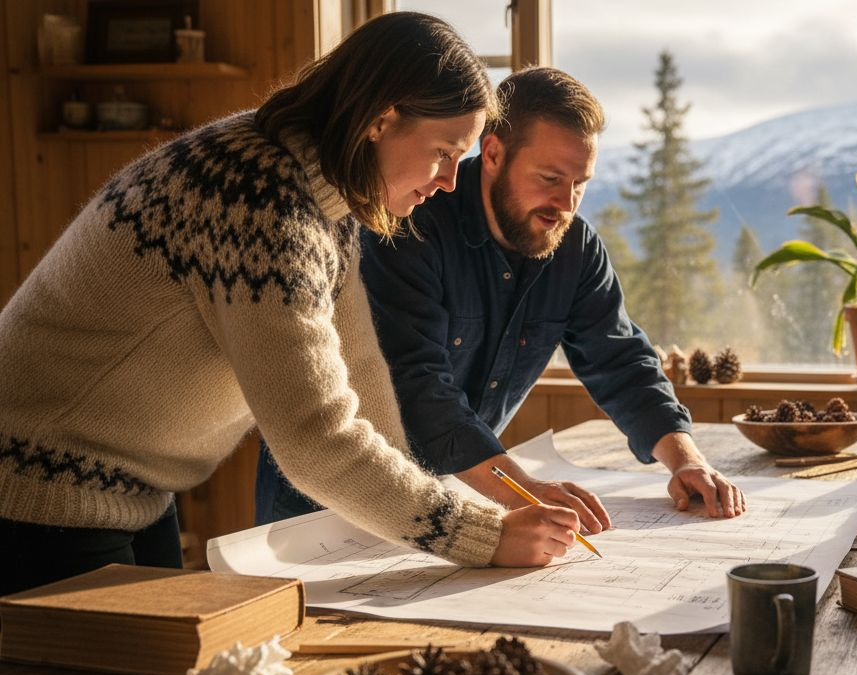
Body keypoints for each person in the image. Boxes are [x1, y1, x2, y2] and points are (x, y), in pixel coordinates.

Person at [0, 12, 585, 598]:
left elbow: (361, 375)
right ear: (382, 119)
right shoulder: (255, 196)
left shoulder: (323, 196)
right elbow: (315, 439)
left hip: (134, 488)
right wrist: (481, 536)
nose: (450, 181)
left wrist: (453, 512)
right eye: (443, 152)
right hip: (41, 482)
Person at [254, 67, 745, 531]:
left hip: (452, 491)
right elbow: (416, 385)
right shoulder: (409, 225)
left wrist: (687, 461)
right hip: (327, 496)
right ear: (492, 154)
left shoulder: (575, 248)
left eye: (580, 184)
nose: (566, 204)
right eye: (550, 179)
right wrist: (523, 489)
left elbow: (621, 361)